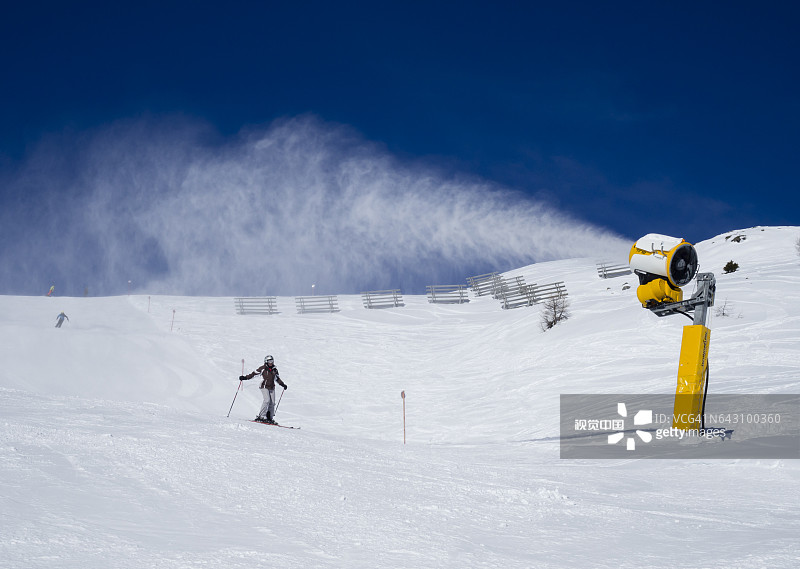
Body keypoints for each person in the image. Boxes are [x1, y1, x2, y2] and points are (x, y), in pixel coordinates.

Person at [240, 355, 287, 424]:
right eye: (269, 361)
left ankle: (269, 418)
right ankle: (261, 416)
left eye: (272, 361)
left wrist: (283, 384)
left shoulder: (275, 369)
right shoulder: (263, 368)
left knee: (273, 403)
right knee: (267, 400)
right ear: (266, 361)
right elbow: (253, 374)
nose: (271, 362)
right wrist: (245, 377)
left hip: (272, 387)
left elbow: (277, 379)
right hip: (264, 386)